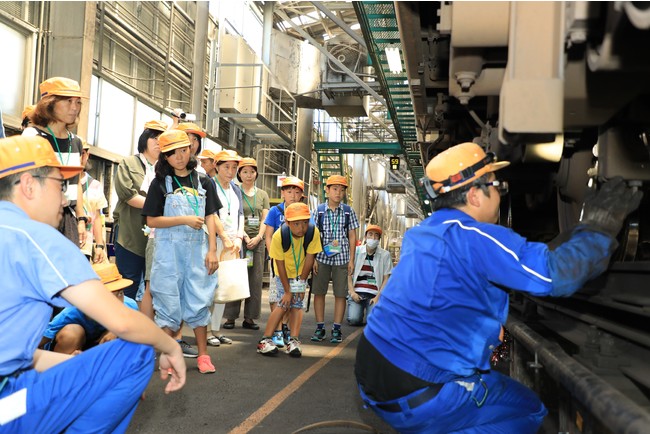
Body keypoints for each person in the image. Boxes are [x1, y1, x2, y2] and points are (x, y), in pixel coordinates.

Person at [354, 142, 643, 433]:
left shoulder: (425, 232)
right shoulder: (475, 235)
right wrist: (601, 226)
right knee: (528, 410)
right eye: (497, 185)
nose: (501, 194)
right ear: (474, 194)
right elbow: (555, 276)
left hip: (371, 372)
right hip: (420, 390)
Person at [0, 135, 185, 433]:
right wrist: (169, 348)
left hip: (11, 385)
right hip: (5, 408)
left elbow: (16, 355)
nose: (66, 199)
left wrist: (81, 369)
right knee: (135, 351)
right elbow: (123, 323)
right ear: (28, 185)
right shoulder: (35, 237)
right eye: (60, 185)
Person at [143, 129, 221, 374]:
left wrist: (212, 251)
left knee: (199, 300)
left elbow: (210, 217)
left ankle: (203, 356)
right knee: (167, 302)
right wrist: (184, 219)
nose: (179, 156)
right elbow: (152, 220)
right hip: (168, 254)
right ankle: (167, 356)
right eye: (173, 153)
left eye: (184, 150)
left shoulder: (204, 181)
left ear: (191, 150)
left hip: (197, 252)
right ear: (164, 157)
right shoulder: (160, 183)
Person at [23, 77, 87, 246]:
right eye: (68, 101)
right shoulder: (32, 137)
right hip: (38, 217)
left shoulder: (76, 142)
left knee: (67, 270)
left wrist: (80, 219)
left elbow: (77, 183)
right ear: (48, 104)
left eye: (78, 102)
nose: (74, 107)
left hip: (68, 219)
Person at [257, 203, 323, 357]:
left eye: (305, 222)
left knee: (297, 305)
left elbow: (309, 259)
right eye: (297, 223)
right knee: (283, 303)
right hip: (283, 274)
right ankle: (265, 340)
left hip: (300, 274)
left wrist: (301, 283)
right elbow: (279, 264)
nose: (302, 228)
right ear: (287, 222)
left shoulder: (313, 233)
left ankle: (293, 341)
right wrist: (287, 291)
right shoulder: (279, 236)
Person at [113, 119, 166, 300]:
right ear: (145, 139)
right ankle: (124, 324)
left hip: (159, 236)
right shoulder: (129, 163)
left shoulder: (166, 170)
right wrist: (156, 204)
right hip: (130, 233)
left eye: (162, 139)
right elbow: (127, 195)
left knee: (154, 285)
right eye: (154, 138)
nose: (159, 143)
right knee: (129, 282)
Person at [40, 263, 139, 354]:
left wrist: (115, 331)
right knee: (71, 333)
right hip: (72, 353)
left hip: (102, 354)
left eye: (120, 293)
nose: (116, 302)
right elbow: (38, 343)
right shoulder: (73, 311)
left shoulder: (130, 305)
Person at [310, 174, 360, 344]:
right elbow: (314, 234)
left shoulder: (348, 211)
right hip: (322, 256)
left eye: (342, 189)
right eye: (335, 189)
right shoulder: (319, 211)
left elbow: (352, 236)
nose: (338, 193)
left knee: (340, 294)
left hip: (343, 258)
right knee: (319, 292)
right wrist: (314, 258)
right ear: (327, 190)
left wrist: (352, 260)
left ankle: (337, 329)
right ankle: (320, 327)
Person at [223, 157, 270, 330]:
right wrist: (242, 235)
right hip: (238, 240)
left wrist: (258, 237)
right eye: (244, 172)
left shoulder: (263, 194)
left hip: (258, 243)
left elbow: (266, 218)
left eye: (252, 171)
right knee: (235, 277)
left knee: (255, 280)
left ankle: (250, 318)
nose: (249, 175)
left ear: (256, 173)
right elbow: (233, 215)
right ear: (239, 174)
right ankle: (230, 317)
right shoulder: (234, 191)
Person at [263, 176, 309, 348]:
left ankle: (287, 329)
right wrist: (273, 255)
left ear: (302, 196)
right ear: (282, 193)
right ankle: (277, 330)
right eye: (289, 191)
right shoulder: (275, 211)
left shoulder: (304, 214)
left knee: (295, 297)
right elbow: (268, 235)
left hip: (297, 264)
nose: (293, 195)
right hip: (278, 259)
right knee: (278, 295)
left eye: (297, 192)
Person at [208, 149, 243, 345]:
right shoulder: (209, 185)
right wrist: (223, 236)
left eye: (234, 167)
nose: (230, 171)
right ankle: (204, 330)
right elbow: (210, 213)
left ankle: (216, 329)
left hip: (232, 244)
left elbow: (240, 216)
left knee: (224, 286)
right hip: (213, 241)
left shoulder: (235, 189)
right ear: (217, 166)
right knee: (208, 286)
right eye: (226, 167)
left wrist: (238, 238)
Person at [347, 224, 393, 326]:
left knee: (372, 322)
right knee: (354, 320)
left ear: (379, 239)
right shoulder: (357, 251)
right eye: (370, 234)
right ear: (365, 237)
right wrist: (352, 292)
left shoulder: (385, 255)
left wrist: (378, 297)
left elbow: (386, 279)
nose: (373, 238)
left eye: (376, 235)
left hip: (374, 295)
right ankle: (355, 307)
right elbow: (349, 274)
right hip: (357, 293)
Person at [79, 140, 108, 263]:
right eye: (77, 153)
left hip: (85, 246)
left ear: (87, 155)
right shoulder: (61, 181)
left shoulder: (95, 185)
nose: (80, 157)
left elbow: (97, 217)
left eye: (83, 153)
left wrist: (100, 245)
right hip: (64, 241)